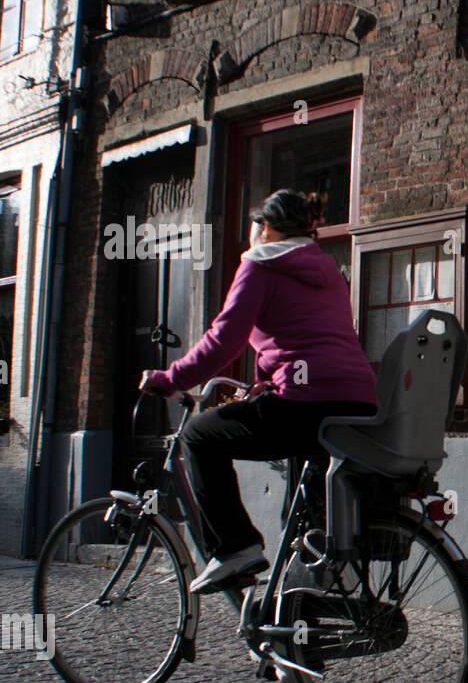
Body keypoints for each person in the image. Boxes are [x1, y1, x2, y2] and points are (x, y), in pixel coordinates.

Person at [142, 189, 377, 594]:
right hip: (356, 399)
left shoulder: (259, 264)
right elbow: (313, 340)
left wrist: (170, 379)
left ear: (265, 228)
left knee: (200, 435)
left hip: (306, 402)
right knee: (304, 516)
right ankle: (300, 623)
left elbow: (224, 341)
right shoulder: (328, 270)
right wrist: (270, 380)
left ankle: (236, 547)